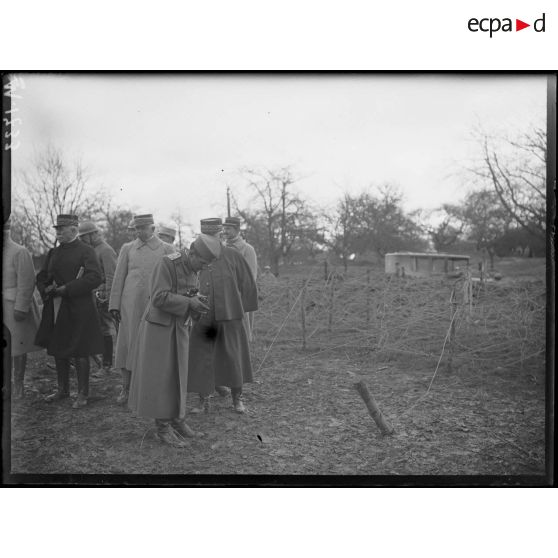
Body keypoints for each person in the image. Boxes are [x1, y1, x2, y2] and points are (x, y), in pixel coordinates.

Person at [128, 239, 211, 447]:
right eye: (202, 263)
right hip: (159, 328)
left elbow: (189, 293)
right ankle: (162, 429)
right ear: (191, 254)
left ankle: (177, 420)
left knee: (179, 375)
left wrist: (197, 302)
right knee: (162, 377)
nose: (203, 268)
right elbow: (158, 297)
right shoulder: (167, 263)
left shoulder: (194, 269)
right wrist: (189, 302)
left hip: (180, 326)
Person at [188, 219, 258, 414]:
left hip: (230, 317)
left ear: (220, 236)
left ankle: (237, 398)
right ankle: (203, 400)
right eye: (206, 237)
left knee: (233, 357)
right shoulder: (195, 256)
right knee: (203, 357)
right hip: (204, 317)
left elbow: (248, 285)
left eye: (214, 236)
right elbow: (187, 282)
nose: (210, 241)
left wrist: (238, 309)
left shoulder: (232, 255)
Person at [35, 214, 104, 408]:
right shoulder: (53, 252)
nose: (58, 232)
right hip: (57, 307)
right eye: (56, 229)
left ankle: (83, 394)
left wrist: (68, 289)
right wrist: (44, 288)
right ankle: (62, 390)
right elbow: (41, 277)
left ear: (74, 230)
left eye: (61, 229)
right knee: (59, 347)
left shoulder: (87, 251)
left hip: (80, 307)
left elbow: (95, 277)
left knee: (80, 349)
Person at [109, 213, 175, 404]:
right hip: (130, 305)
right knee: (127, 344)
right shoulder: (128, 249)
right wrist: (114, 304)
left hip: (156, 304)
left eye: (142, 228)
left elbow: (175, 278)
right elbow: (119, 277)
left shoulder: (167, 249)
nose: (138, 232)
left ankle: (152, 388)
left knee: (153, 344)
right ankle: (126, 387)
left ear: (153, 229)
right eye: (136, 228)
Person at [2, 218, 41, 398]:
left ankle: (18, 384)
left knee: (17, 347)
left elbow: (27, 282)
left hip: (14, 305)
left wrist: (21, 307)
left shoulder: (20, 252)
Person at [78, 220, 117, 373]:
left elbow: (111, 275)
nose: (81, 240)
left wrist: (108, 296)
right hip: (91, 295)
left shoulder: (105, 250)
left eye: (84, 237)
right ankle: (99, 362)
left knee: (104, 330)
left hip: (102, 296)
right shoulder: (90, 250)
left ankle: (106, 366)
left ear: (93, 235)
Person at [222, 216, 257, 341]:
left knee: (240, 334)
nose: (225, 231)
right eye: (224, 228)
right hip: (221, 297)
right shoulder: (220, 247)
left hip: (239, 297)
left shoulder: (248, 249)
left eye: (228, 228)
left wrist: (239, 295)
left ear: (237, 230)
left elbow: (251, 277)